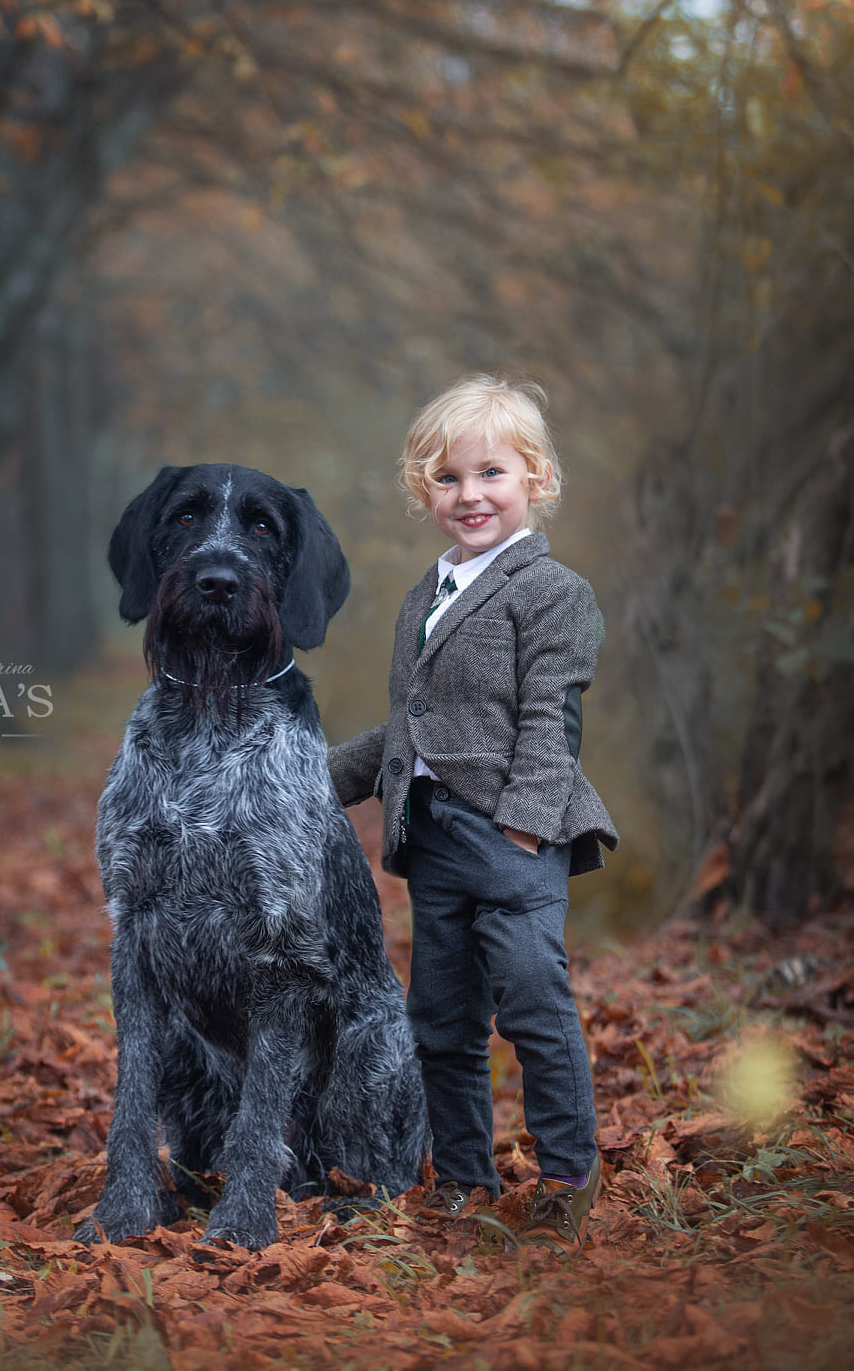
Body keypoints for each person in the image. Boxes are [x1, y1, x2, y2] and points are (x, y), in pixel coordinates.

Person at [327, 374, 618, 1257]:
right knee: (443, 1023)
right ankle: (463, 1177)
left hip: (515, 841)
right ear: (427, 492)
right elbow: (413, 727)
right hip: (436, 842)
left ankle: (569, 1175)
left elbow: (547, 721)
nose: (470, 495)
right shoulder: (428, 596)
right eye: (448, 479)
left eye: (491, 473)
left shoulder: (553, 592)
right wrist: (309, 780)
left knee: (534, 1002)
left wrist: (524, 828)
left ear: (534, 478)